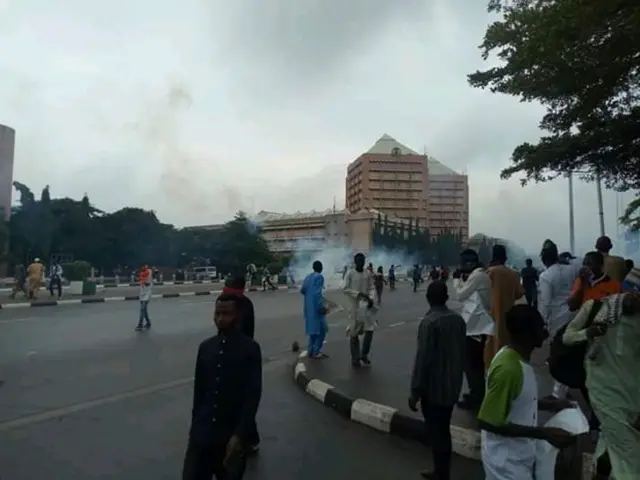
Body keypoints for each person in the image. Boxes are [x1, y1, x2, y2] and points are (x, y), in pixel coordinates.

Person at [477, 304, 576, 479]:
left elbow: (512, 401)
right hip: (506, 462)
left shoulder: (518, 360)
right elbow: (488, 421)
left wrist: (547, 404)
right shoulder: (508, 369)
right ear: (526, 334)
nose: (545, 333)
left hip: (518, 456)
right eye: (540, 328)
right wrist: (543, 433)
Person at [562, 287, 640, 479]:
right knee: (631, 455)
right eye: (634, 294)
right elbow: (567, 337)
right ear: (626, 290)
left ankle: (598, 472)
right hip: (603, 390)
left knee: (611, 445)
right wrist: (587, 333)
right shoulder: (596, 308)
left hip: (632, 395)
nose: (635, 300)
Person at [182, 293, 262, 480]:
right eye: (217, 313)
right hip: (202, 435)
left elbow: (252, 395)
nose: (220, 319)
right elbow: (199, 393)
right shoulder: (206, 347)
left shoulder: (250, 349)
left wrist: (240, 435)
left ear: (237, 316)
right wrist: (194, 431)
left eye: (226, 314)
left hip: (230, 437)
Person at [409, 281, 466, 480]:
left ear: (428, 298)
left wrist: (415, 391)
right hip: (452, 386)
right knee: (443, 429)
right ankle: (442, 471)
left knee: (438, 432)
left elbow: (422, 359)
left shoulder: (429, 322)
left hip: (433, 389)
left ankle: (441, 473)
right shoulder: (458, 320)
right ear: (447, 297)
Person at [537, 239, 581, 400]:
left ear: (544, 259)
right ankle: (564, 387)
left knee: (558, 355)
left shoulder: (546, 276)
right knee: (571, 352)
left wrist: (542, 322)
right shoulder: (572, 269)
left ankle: (558, 393)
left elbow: (545, 303)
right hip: (574, 316)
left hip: (556, 319)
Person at [222, 275, 259, 452]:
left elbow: (243, 330)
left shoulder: (240, 304)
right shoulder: (241, 302)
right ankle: (247, 438)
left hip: (238, 356)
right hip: (235, 354)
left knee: (240, 401)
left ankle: (248, 439)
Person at [453, 249, 492, 411]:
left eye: (463, 263)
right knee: (473, 364)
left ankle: (477, 397)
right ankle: (476, 392)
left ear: (469, 263)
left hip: (475, 328)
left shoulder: (477, 276)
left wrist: (456, 280)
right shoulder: (480, 275)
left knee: (472, 365)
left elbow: (460, 295)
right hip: (477, 326)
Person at [484, 245, 525, 366]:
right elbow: (520, 293)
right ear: (505, 258)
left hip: (490, 317)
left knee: (490, 346)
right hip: (508, 316)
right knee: (506, 345)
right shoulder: (513, 274)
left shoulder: (488, 273)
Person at [343, 253, 376, 367]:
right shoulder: (350, 273)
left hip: (366, 306)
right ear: (355, 261)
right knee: (354, 332)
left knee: (370, 330)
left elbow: (372, 287)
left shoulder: (368, 273)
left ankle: (364, 354)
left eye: (362, 260)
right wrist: (358, 294)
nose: (361, 262)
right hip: (354, 306)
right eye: (358, 260)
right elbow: (344, 288)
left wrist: (371, 298)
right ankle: (355, 358)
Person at [301, 261, 329, 359]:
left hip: (308, 308)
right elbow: (317, 294)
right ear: (321, 268)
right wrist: (321, 307)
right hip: (316, 308)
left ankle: (311, 350)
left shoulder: (308, 277)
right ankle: (316, 351)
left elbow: (302, 290)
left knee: (313, 331)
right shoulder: (319, 277)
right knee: (322, 329)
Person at [135, 265, 153, 331]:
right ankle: (148, 322)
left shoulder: (149, 272)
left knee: (142, 309)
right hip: (142, 293)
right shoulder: (141, 274)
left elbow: (147, 282)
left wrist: (143, 280)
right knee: (144, 310)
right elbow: (140, 280)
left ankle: (140, 324)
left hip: (147, 293)